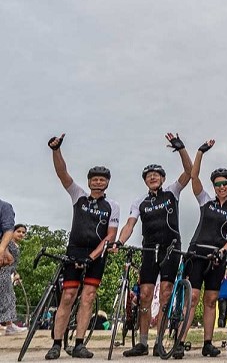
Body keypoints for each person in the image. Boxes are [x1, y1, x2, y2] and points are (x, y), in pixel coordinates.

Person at [114, 132, 192, 357]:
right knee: (145, 295)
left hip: (171, 248)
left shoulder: (172, 192)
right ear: (145, 181)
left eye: (156, 175)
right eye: (149, 176)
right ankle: (143, 342)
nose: (152, 178)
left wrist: (181, 149)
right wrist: (120, 241)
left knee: (166, 293)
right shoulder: (140, 201)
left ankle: (160, 341)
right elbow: (130, 224)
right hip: (149, 249)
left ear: (163, 178)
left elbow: (190, 172)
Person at [46, 133, 120, 360]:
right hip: (75, 250)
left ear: (107, 183)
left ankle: (79, 344)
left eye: (102, 180)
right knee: (68, 296)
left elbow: (110, 235)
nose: (98, 182)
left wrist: (93, 256)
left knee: (88, 297)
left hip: (96, 255)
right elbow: (62, 173)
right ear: (88, 182)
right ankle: (56, 343)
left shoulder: (112, 205)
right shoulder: (78, 195)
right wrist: (56, 150)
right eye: (94, 179)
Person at [179, 139, 227, 358]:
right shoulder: (206, 200)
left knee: (211, 300)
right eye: (217, 184)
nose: (221, 187)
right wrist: (200, 152)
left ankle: (207, 343)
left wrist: (224, 249)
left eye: (225, 183)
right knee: (193, 298)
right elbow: (194, 177)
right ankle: (180, 341)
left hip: (217, 256)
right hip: (198, 253)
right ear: (214, 187)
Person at [0, 223, 26, 335]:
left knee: (8, 298)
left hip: (8, 273)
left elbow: (13, 264)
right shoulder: (7, 243)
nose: (21, 234)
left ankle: (9, 325)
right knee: (8, 297)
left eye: (23, 232)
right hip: (3, 272)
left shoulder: (15, 245)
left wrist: (15, 273)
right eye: (18, 231)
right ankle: (9, 326)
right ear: (13, 232)